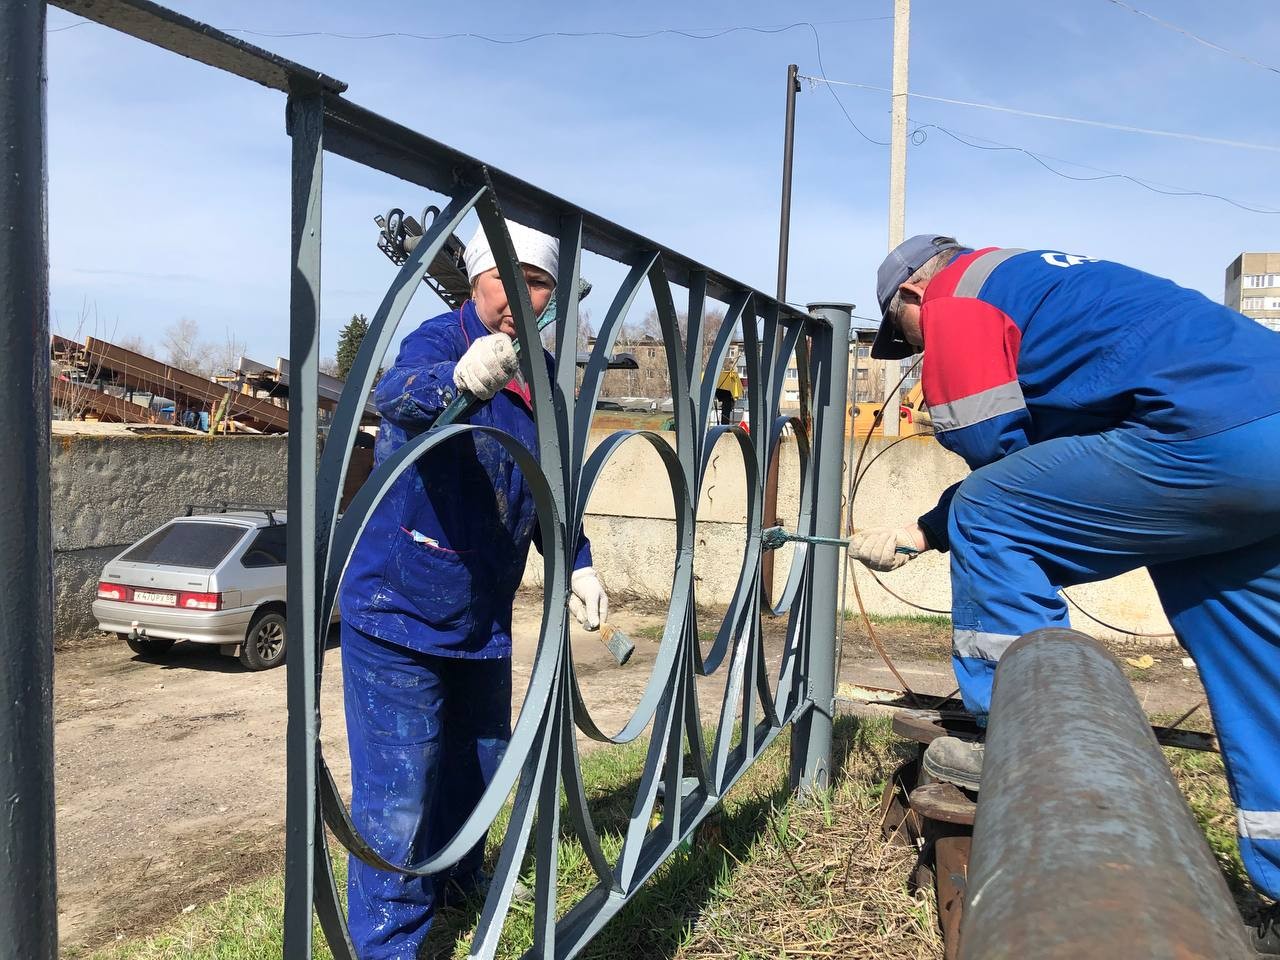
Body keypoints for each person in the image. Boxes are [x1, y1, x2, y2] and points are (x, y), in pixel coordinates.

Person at [850, 235, 1280, 953]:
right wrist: (924, 533)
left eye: (906, 338)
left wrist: (949, 521)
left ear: (915, 297)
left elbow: (999, 465)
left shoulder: (960, 299)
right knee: (1258, 665)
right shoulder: (1045, 284)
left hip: (1204, 439)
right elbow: (1067, 469)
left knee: (987, 510)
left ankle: (1016, 733)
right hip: (1256, 434)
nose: (918, 355)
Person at [338, 220, 608, 960]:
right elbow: (397, 394)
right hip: (400, 613)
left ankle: (461, 885)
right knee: (399, 796)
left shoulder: (541, 380)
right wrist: (456, 380)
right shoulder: (439, 342)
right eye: (506, 279)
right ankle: (390, 945)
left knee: (480, 766)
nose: (521, 298)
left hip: (481, 619)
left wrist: (575, 558)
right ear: (479, 279)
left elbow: (550, 482)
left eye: (540, 282)